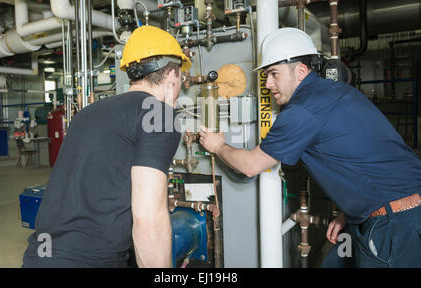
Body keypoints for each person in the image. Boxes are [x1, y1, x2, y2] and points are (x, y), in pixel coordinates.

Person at [199, 27, 421, 268]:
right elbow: (364, 155)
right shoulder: (336, 92)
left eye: (274, 74)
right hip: (379, 213)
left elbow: (251, 165)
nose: (268, 84)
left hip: (394, 223)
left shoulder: (303, 109)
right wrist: (351, 212)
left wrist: (218, 146)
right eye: (266, 75)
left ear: (301, 71)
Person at [22, 25, 191, 268]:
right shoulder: (159, 115)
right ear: (173, 75)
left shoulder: (87, 113)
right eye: (181, 78)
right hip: (90, 261)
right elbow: (148, 219)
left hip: (39, 256)